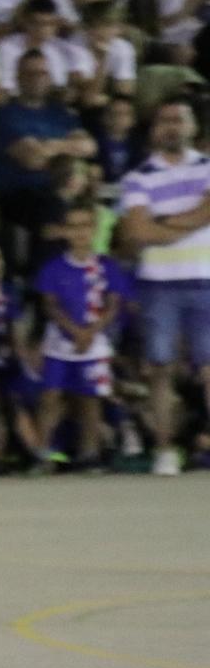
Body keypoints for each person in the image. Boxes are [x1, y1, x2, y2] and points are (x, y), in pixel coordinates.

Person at [115, 97, 210, 477]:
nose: (172, 126)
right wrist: (192, 220)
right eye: (165, 120)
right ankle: (164, 448)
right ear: (155, 129)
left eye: (179, 119)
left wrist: (164, 221)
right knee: (160, 368)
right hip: (158, 284)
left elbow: (207, 212)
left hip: (204, 277)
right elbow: (138, 232)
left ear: (193, 126)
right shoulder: (137, 177)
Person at [32, 202, 128, 471]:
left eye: (85, 226)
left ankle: (90, 453)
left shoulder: (106, 266)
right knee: (51, 396)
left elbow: (113, 304)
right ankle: (43, 453)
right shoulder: (53, 267)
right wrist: (75, 331)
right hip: (59, 344)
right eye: (73, 227)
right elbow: (50, 305)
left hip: (94, 345)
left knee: (90, 398)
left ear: (94, 229)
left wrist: (91, 332)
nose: (80, 232)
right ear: (64, 231)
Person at [0, 50, 96, 255]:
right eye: (30, 73)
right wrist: (67, 147)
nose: (37, 78)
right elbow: (32, 160)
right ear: (18, 77)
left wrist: (47, 146)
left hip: (64, 189)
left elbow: (89, 147)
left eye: (42, 73)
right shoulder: (5, 115)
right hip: (21, 194)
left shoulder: (60, 113)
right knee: (55, 207)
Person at [0, 0, 74, 94]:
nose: (44, 29)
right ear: (26, 23)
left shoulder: (57, 50)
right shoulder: (6, 47)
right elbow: (6, 85)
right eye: (38, 23)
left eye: (49, 24)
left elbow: (59, 84)